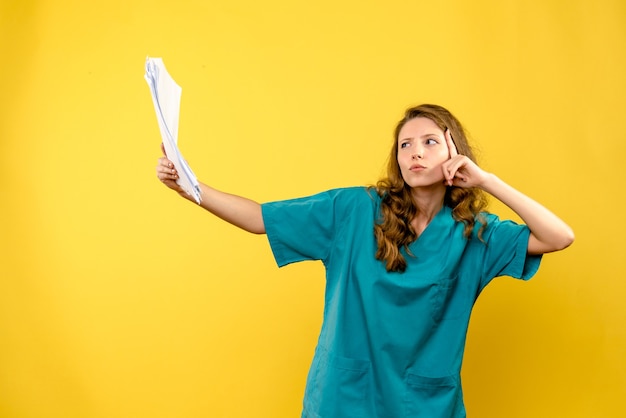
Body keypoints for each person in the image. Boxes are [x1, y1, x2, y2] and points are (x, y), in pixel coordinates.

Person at [156, 104, 574, 417]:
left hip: (424, 404)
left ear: (455, 152)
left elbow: (559, 237)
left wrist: (486, 180)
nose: (415, 152)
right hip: (345, 397)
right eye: (405, 144)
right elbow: (259, 218)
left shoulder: (475, 233)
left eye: (430, 142)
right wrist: (189, 186)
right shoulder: (353, 210)